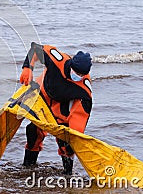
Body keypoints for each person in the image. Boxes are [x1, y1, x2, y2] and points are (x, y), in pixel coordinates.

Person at [19, 42, 93, 175]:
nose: (78, 76)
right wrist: (27, 67)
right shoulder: (57, 60)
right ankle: (27, 169)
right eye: (76, 73)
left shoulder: (84, 88)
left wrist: (74, 139)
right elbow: (36, 49)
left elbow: (81, 115)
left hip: (63, 105)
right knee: (33, 132)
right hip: (43, 95)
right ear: (71, 66)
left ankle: (67, 175)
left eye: (81, 75)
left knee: (66, 143)